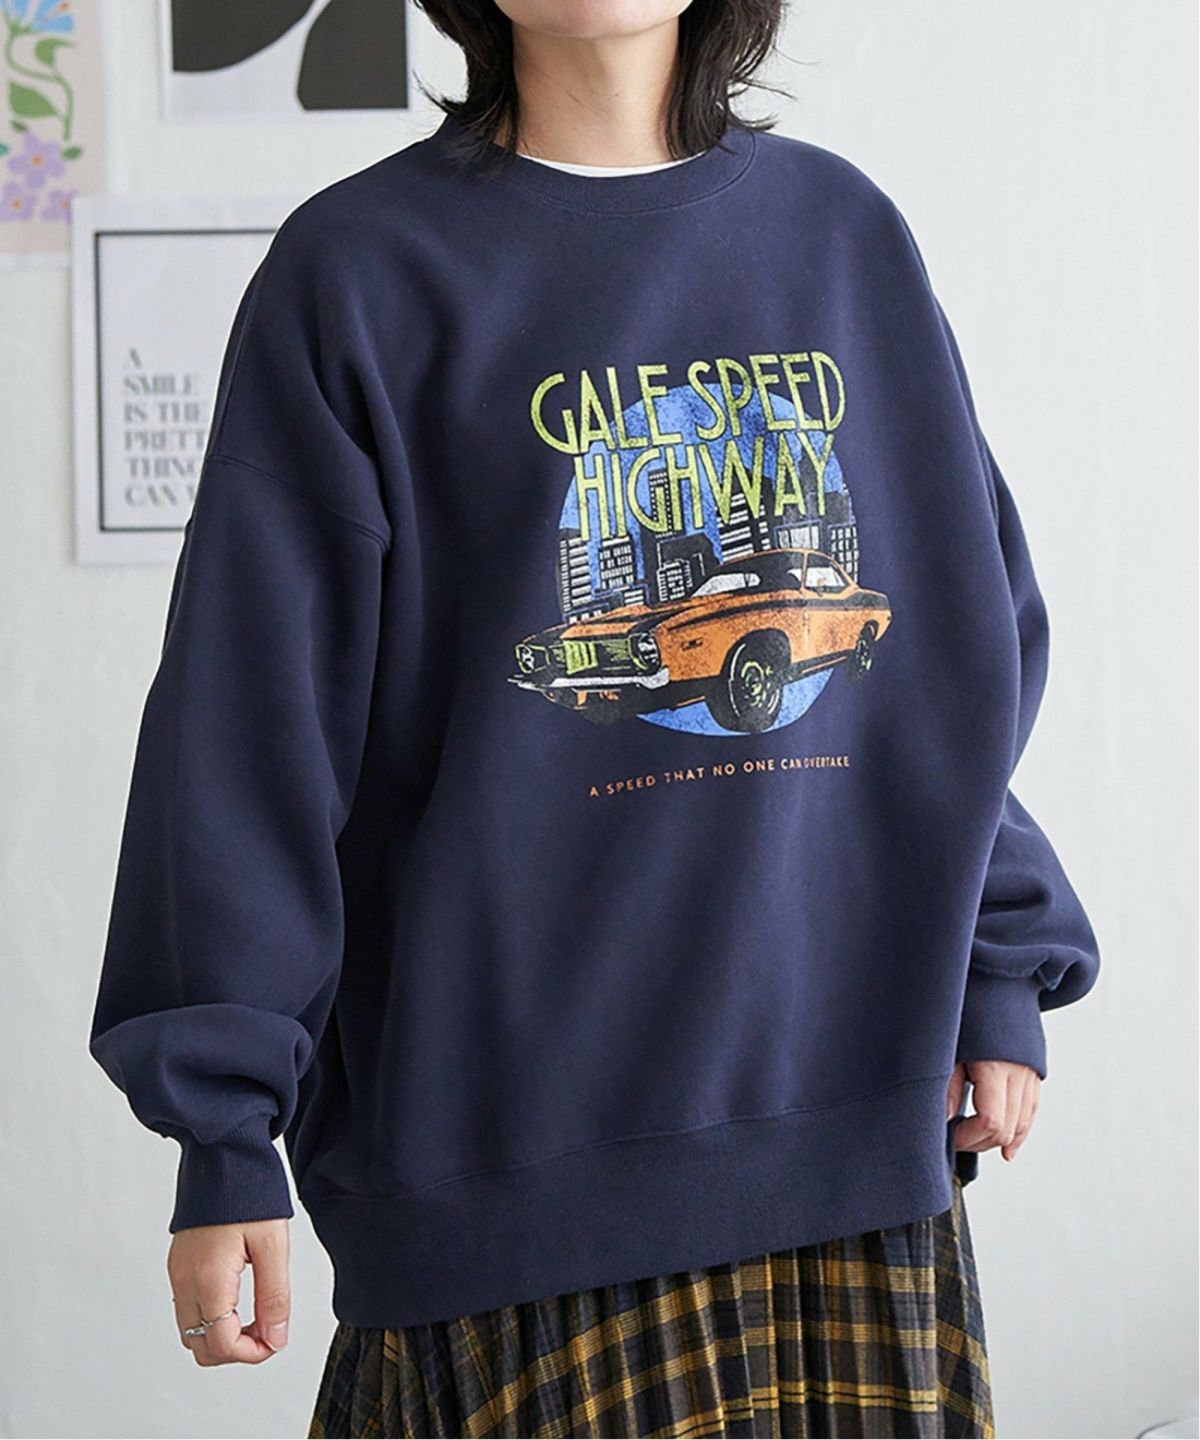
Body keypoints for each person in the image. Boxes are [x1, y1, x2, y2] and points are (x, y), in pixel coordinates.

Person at [87, 2, 1102, 1436]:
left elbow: (950, 661)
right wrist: (224, 1131)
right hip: (514, 1182)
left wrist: (999, 958)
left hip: (856, 1151)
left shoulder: (843, 238)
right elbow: (247, 734)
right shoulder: (361, 269)